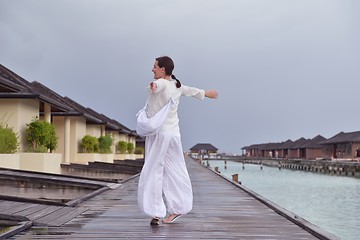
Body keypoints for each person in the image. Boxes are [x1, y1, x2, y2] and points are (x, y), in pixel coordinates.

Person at [137, 56, 218, 226]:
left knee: (154, 170)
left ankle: (156, 212)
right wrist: (207, 94)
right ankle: (178, 208)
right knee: (176, 170)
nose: (152, 69)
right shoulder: (176, 85)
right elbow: (192, 90)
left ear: (163, 69)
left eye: (154, 67)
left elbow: (159, 86)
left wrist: (153, 86)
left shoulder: (163, 84)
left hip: (160, 135)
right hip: (174, 135)